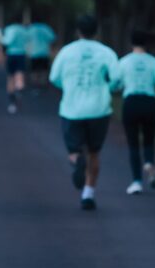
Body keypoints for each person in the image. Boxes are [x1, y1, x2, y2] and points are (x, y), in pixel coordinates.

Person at [49, 14, 120, 210]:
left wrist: (69, 86)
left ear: (78, 31)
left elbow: (54, 77)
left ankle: (77, 161)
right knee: (94, 152)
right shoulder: (106, 53)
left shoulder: (67, 52)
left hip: (72, 109)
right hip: (99, 109)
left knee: (74, 150)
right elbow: (116, 80)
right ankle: (88, 193)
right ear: (96, 31)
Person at [117, 30, 155, 195]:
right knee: (149, 139)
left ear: (131, 43)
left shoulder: (124, 61)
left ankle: (137, 182)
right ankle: (149, 162)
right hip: (149, 102)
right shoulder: (154, 62)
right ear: (146, 44)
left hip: (130, 102)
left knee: (132, 143)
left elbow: (116, 83)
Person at [1, 19, 30, 113]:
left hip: (11, 54)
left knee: (10, 77)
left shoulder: (10, 29)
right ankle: (19, 88)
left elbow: (7, 41)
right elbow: (28, 41)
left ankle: (12, 100)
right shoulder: (24, 30)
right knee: (20, 74)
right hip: (21, 54)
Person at [27, 21, 57, 90]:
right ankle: (43, 86)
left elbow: (26, 39)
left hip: (34, 53)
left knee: (34, 71)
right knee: (44, 70)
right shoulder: (46, 28)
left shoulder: (31, 29)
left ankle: (35, 86)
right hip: (44, 52)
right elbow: (52, 38)